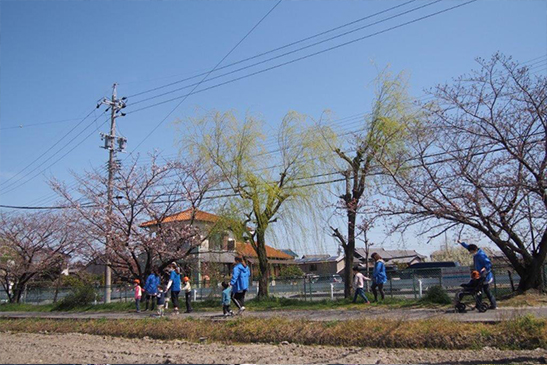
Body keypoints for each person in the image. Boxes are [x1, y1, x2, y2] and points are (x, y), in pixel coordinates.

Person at [458, 241, 497, 309]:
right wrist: (461, 243)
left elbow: (488, 263)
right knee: (479, 290)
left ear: (474, 250)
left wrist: (484, 268)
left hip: (485, 276)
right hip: (479, 276)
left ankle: (493, 305)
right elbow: (468, 246)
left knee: (486, 291)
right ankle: (479, 304)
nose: (471, 253)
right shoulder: (476, 253)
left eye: (471, 252)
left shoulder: (481, 255)